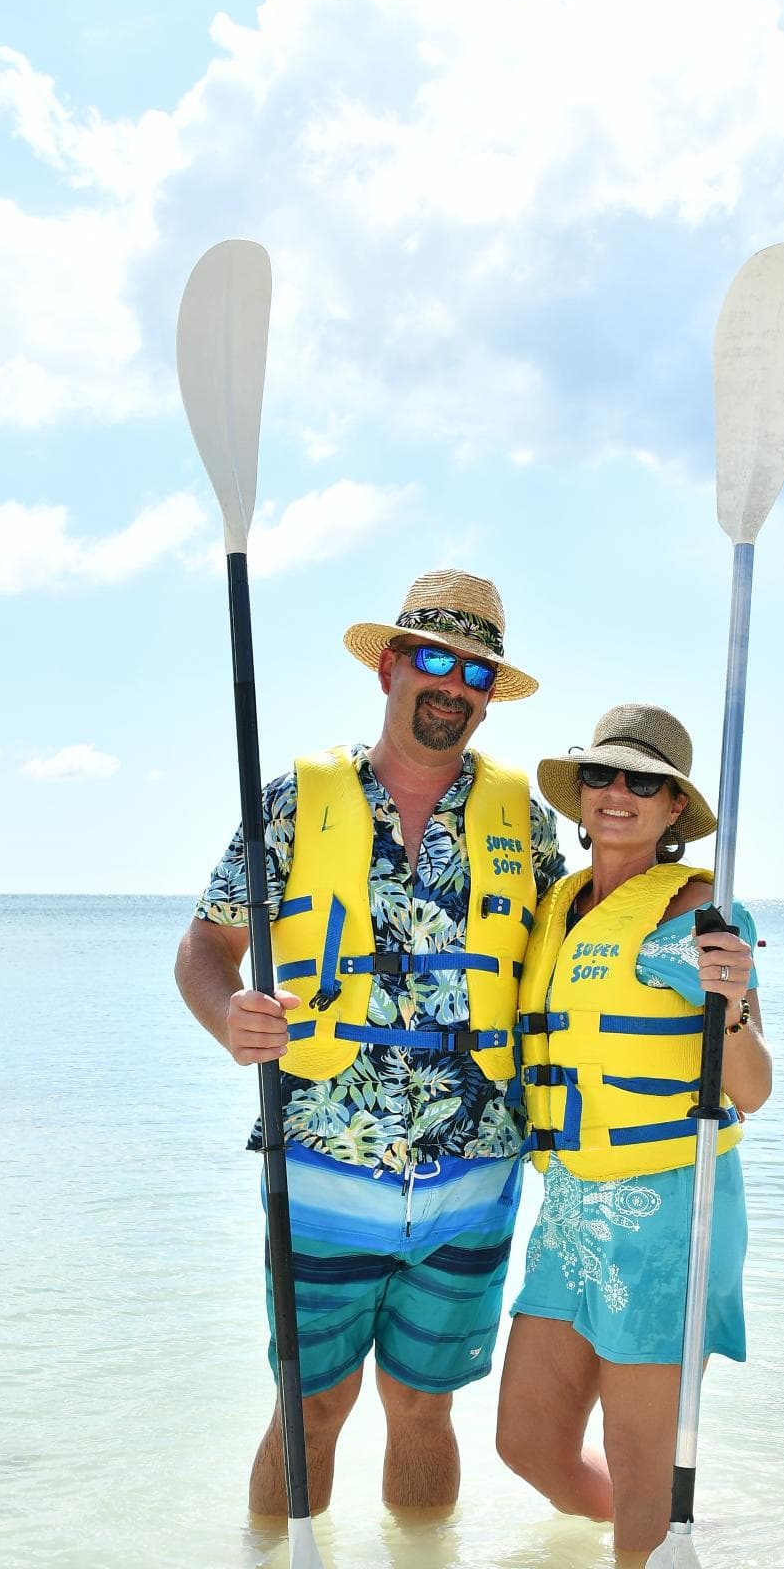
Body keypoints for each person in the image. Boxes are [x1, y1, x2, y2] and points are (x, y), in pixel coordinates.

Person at [176, 570, 564, 1518]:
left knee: (425, 1409)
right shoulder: (293, 803)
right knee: (309, 1406)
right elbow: (204, 946)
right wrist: (228, 1014)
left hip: (473, 1171)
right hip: (321, 1157)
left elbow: (582, 952)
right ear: (388, 667)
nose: (453, 685)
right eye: (433, 658)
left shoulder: (529, 825)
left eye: (476, 673)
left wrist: (703, 944)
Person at [495, 703, 771, 1555]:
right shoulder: (555, 907)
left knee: (643, 1456)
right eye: (602, 775)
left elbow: (755, 1088)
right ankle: (660, 1544)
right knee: (527, 1443)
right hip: (574, 1206)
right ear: (579, 796)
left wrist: (729, 1007)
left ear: (672, 810)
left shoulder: (703, 915)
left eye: (644, 781)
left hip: (669, 1212)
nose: (619, 793)